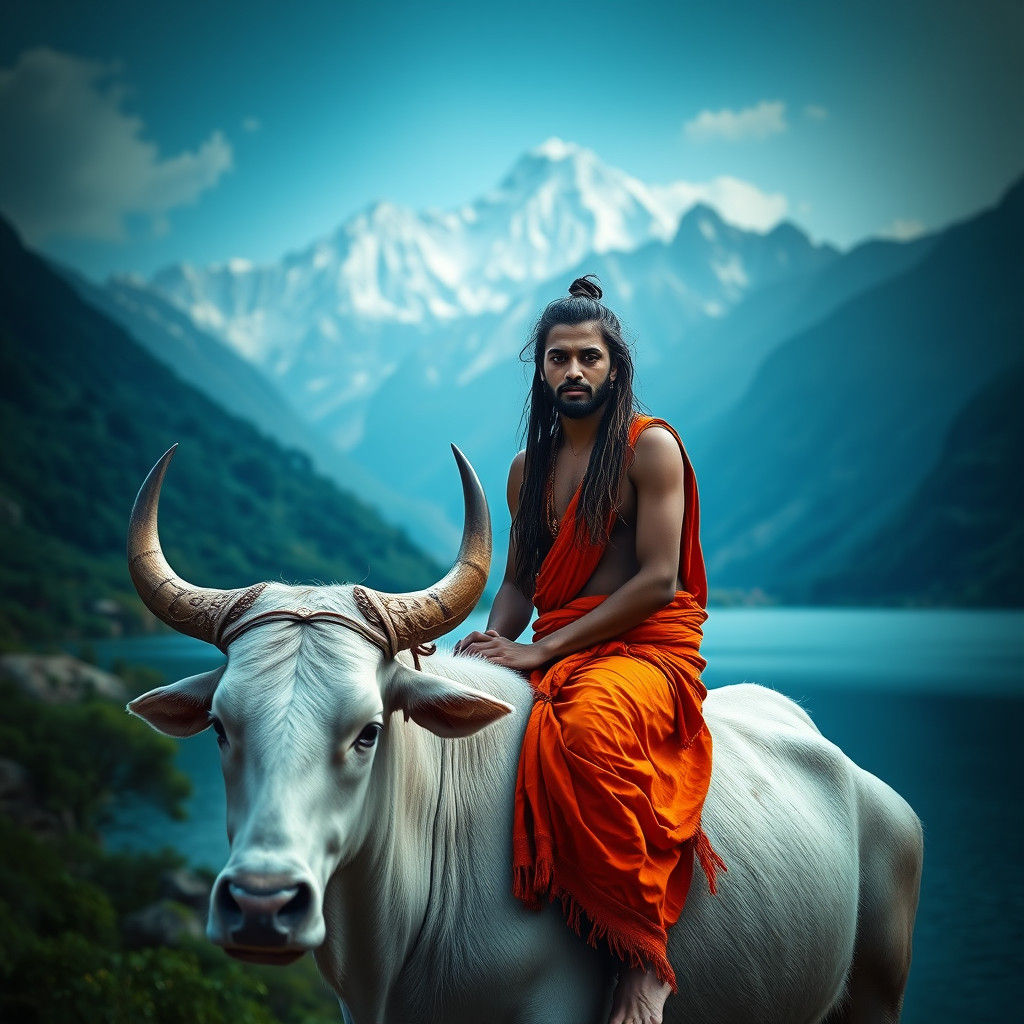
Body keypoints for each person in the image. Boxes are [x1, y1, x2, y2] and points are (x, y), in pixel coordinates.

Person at [454, 275, 724, 1024]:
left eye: (589, 357)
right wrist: (487, 644)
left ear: (615, 365)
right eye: (558, 358)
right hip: (561, 646)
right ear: (540, 369)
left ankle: (643, 955)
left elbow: (658, 581)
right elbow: (518, 583)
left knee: (586, 727)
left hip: (645, 652)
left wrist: (543, 653)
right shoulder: (527, 470)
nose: (574, 371)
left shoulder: (650, 448)